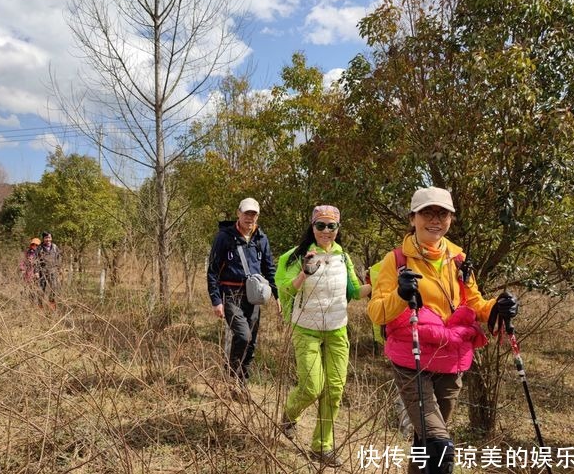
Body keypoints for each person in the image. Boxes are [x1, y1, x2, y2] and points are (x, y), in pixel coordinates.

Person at [367, 186, 519, 474]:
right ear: (412, 218)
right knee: (439, 448)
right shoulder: (396, 260)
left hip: (450, 361)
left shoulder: (459, 259)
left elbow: (474, 303)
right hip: (411, 362)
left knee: (426, 442)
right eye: (427, 212)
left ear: (450, 219)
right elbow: (376, 312)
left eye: (443, 213)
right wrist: (400, 295)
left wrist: (497, 307)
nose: (435, 220)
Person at [275, 205, 371, 468]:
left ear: (338, 229)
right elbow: (284, 291)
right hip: (305, 328)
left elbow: (353, 291)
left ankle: (322, 446)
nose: (326, 231)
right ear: (312, 227)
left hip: (337, 329)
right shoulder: (294, 257)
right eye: (321, 226)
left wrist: (378, 284)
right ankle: (288, 416)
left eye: (332, 226)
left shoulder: (344, 257)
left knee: (335, 389)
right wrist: (304, 273)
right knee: (311, 386)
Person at [206, 197, 280, 398]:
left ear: (257, 216)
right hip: (231, 294)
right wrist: (216, 301)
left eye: (253, 214)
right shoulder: (224, 237)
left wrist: (277, 294)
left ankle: (241, 382)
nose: (249, 218)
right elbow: (212, 270)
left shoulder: (261, 238)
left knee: (252, 342)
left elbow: (269, 267)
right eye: (246, 213)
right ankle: (233, 376)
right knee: (243, 335)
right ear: (238, 213)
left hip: (254, 296)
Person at [36, 231, 61, 310]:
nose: (48, 239)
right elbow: (36, 261)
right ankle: (40, 307)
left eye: (49, 237)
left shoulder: (55, 247)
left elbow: (59, 257)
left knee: (54, 288)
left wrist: (59, 268)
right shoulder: (39, 248)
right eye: (46, 238)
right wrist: (36, 271)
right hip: (42, 271)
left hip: (53, 271)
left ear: (51, 238)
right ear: (43, 239)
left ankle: (52, 305)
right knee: (41, 289)